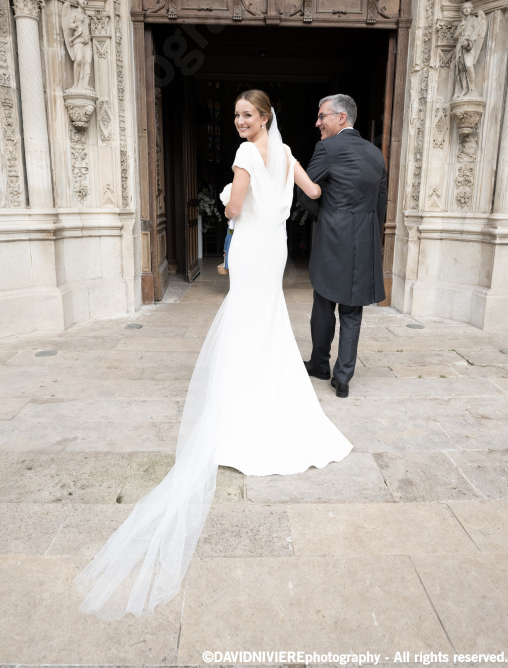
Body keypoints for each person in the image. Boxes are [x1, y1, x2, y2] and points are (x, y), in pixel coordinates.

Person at [75, 89, 352, 619]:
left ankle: (242, 404)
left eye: (247, 115)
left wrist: (228, 194)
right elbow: (315, 190)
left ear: (264, 116)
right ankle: (267, 396)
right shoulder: (287, 151)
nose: (240, 121)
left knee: (248, 321)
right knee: (265, 319)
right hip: (273, 249)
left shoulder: (246, 153)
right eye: (236, 115)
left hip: (252, 247)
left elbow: (235, 208)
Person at [298, 94, 387, 399]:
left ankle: (320, 365)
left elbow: (306, 190)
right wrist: (369, 232)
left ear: (341, 118)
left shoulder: (327, 148)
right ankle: (343, 377)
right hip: (364, 240)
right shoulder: (376, 154)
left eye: (322, 116)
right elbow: (380, 203)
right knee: (352, 311)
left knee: (324, 303)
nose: (317, 123)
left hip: (333, 238)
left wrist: (327, 218)